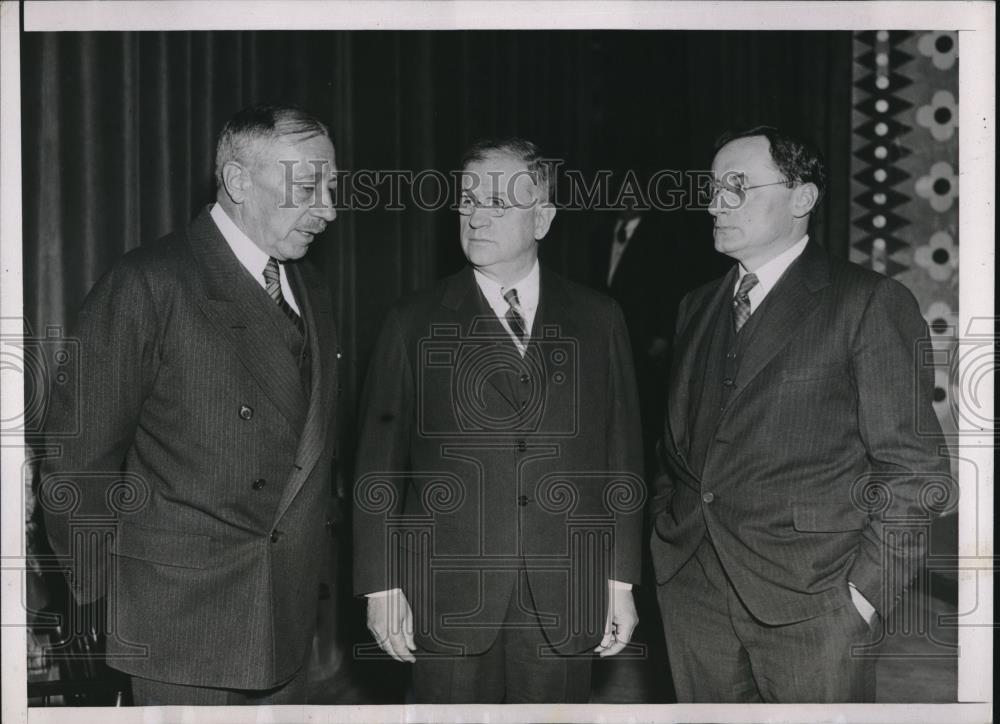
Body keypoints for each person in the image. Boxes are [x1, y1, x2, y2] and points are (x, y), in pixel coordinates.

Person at [38, 102, 341, 705]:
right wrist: (98, 601)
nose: (329, 209)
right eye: (309, 188)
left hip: (284, 618)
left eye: (332, 188)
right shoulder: (148, 282)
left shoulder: (311, 288)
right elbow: (77, 463)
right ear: (238, 182)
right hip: (178, 624)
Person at [650, 126, 949, 702]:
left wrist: (863, 596)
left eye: (737, 187)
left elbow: (915, 470)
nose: (715, 204)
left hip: (816, 604)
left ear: (802, 198)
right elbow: (675, 453)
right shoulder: (695, 306)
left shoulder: (868, 302)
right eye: (712, 188)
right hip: (694, 595)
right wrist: (670, 547)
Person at [353, 138, 645, 703]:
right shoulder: (412, 321)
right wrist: (381, 585)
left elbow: (622, 457)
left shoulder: (599, 318)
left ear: (543, 219)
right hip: (446, 595)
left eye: (496, 203)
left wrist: (619, 580)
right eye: (467, 201)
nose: (475, 217)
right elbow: (377, 466)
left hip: (567, 591)